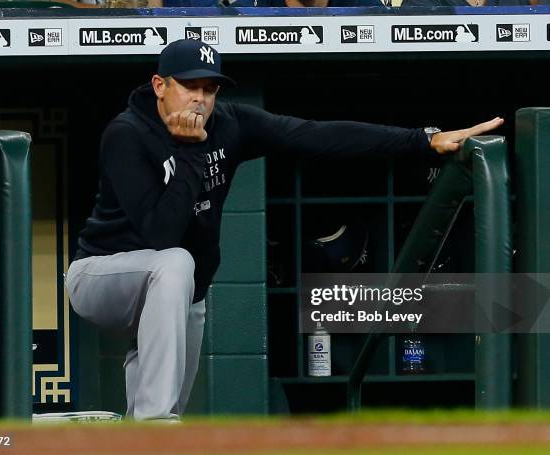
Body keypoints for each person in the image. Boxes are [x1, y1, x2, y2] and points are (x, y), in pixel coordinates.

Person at [65, 39, 503, 421]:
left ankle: (148, 428)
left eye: (209, 88)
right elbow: (161, 234)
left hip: (177, 289)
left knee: (181, 307)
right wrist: (189, 152)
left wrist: (420, 140)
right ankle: (155, 422)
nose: (200, 99)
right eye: (189, 86)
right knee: (177, 263)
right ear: (160, 86)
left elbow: (316, 135)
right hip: (101, 277)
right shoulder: (127, 133)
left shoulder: (230, 124)